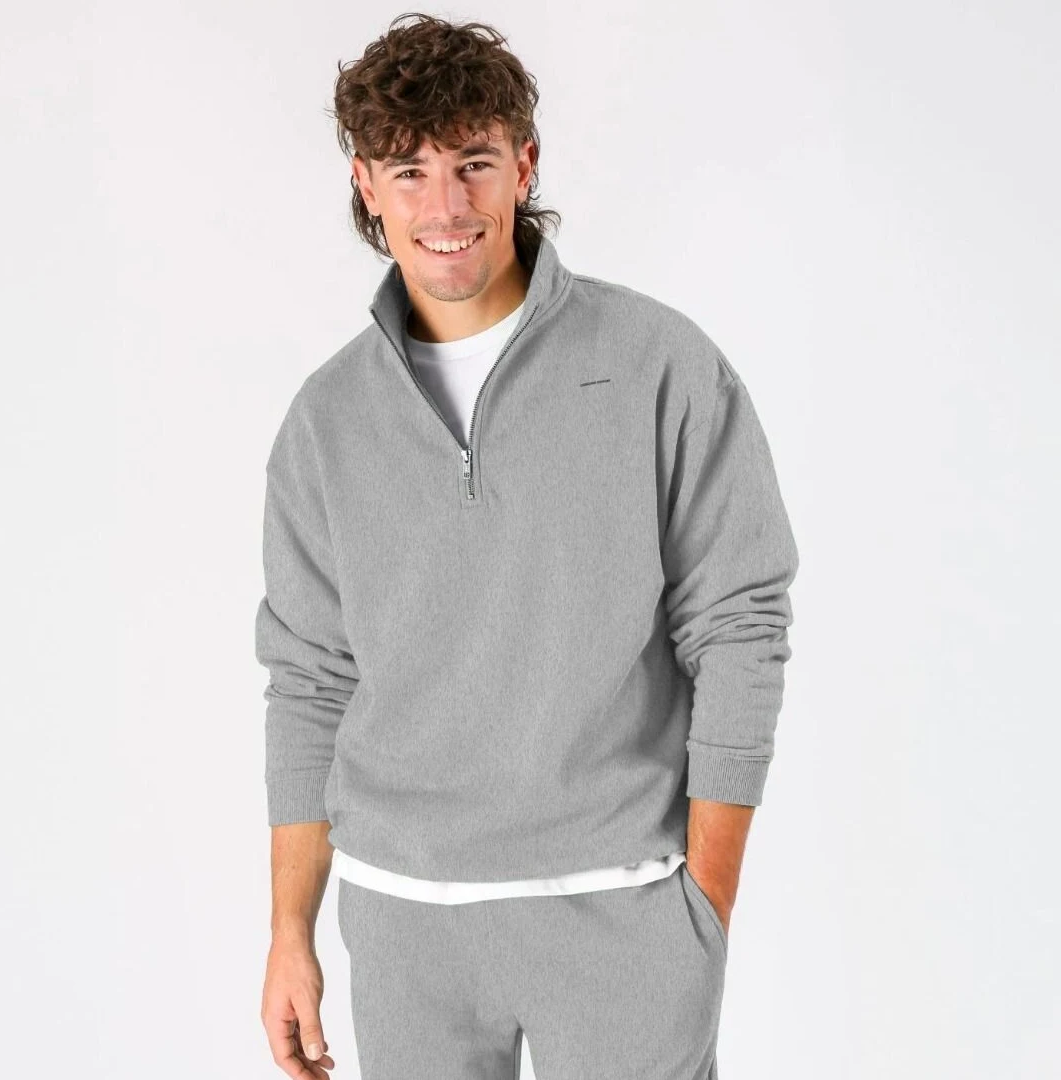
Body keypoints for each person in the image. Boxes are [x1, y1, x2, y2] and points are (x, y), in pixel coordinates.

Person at [256, 13, 799, 1080]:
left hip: (624, 910)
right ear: (365, 183)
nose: (445, 206)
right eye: (409, 171)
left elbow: (740, 621)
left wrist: (706, 902)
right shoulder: (327, 420)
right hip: (404, 927)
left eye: (473, 161)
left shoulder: (657, 364)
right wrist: (289, 932)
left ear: (524, 162)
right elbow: (311, 681)